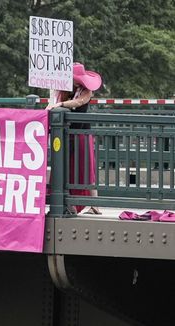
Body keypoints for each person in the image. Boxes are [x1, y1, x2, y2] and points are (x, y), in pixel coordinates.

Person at [46, 62, 104, 215]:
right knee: (67, 168)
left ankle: (94, 205)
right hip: (66, 134)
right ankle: (69, 203)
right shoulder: (64, 90)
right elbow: (53, 103)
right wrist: (54, 96)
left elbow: (79, 102)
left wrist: (61, 104)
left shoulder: (86, 91)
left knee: (86, 169)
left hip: (81, 134)